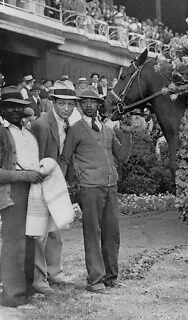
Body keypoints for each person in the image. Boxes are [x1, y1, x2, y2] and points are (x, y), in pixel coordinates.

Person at [59, 87, 133, 293]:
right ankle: (95, 279)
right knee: (92, 232)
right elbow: (65, 158)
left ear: (99, 104)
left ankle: (111, 276)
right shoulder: (75, 129)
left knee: (112, 232)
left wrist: (126, 134)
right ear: (80, 105)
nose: (89, 105)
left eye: (93, 102)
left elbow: (123, 156)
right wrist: (63, 184)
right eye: (84, 102)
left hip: (110, 186)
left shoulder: (108, 130)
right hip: (89, 187)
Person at [30, 80, 81, 295]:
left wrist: (68, 181)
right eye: (62, 104)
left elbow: (66, 156)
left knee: (55, 228)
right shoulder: (42, 123)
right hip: (40, 182)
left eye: (70, 105)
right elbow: (36, 155)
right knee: (39, 232)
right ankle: (38, 279)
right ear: (53, 103)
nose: (67, 108)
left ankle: (54, 272)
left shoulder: (68, 124)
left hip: (57, 181)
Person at [0, 86, 47, 307]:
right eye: (9, 106)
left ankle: (27, 289)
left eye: (19, 107)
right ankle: (12, 294)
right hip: (13, 191)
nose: (15, 111)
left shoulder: (27, 133)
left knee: (30, 240)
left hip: (32, 190)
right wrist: (27, 175)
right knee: (14, 242)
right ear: (2, 109)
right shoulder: (2, 133)